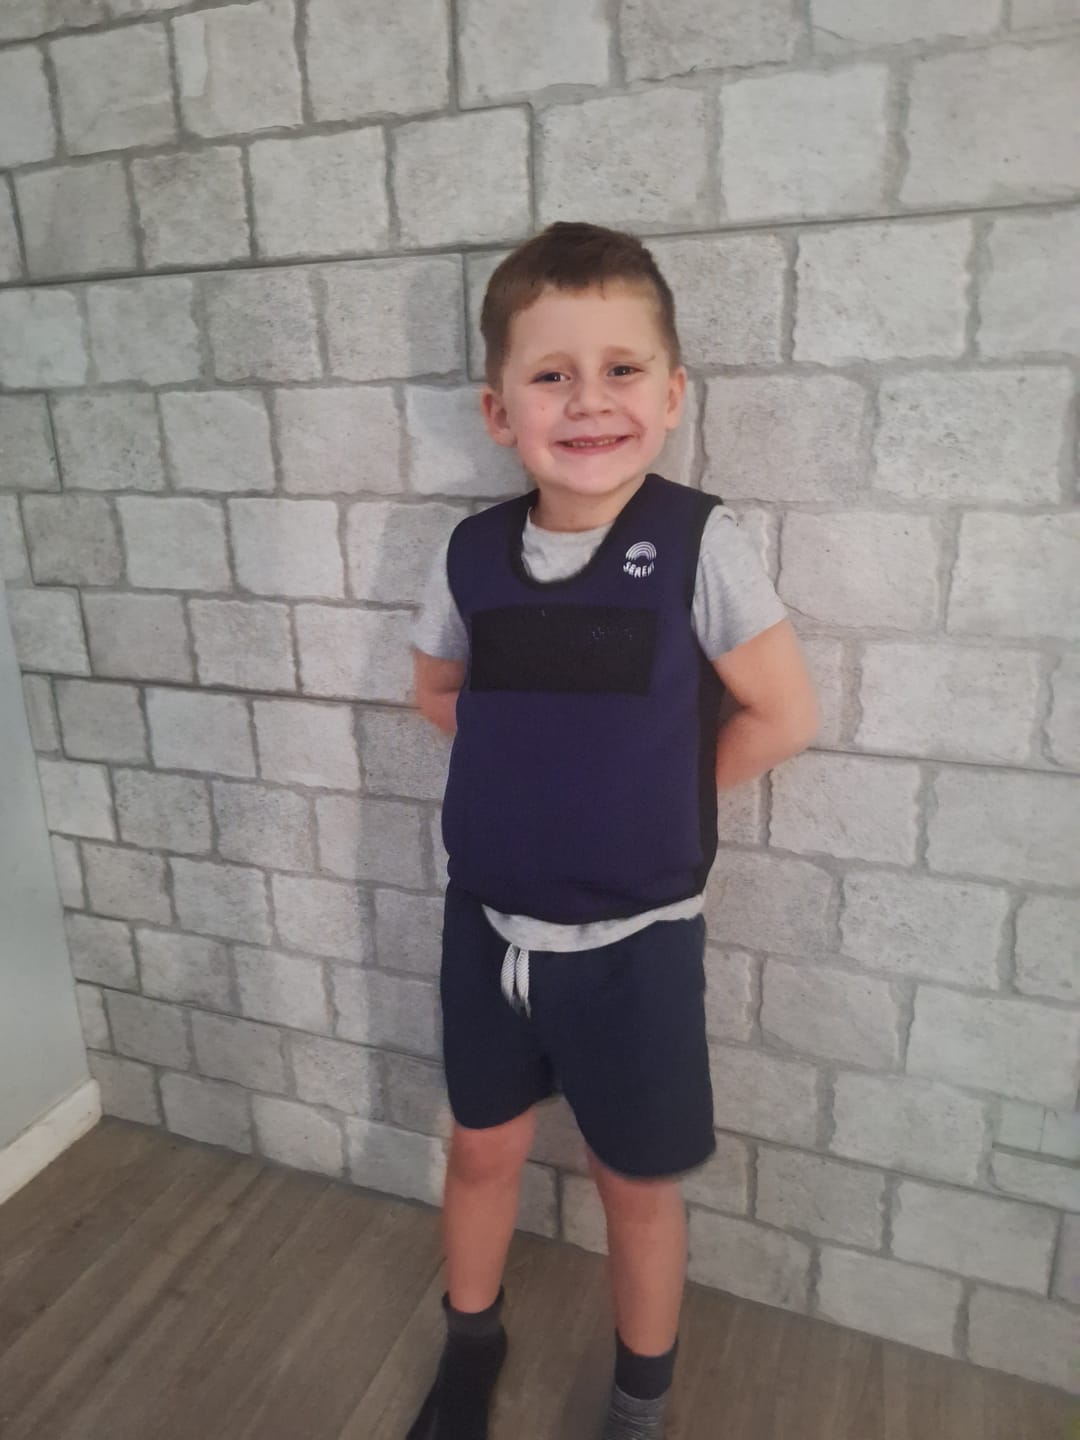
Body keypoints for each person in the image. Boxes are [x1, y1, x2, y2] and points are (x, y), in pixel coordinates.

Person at [408, 221, 820, 1440]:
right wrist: (524, 786)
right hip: (485, 931)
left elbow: (784, 713)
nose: (589, 401)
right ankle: (469, 1352)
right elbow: (439, 694)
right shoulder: (473, 553)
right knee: (479, 1154)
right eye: (551, 375)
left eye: (622, 369)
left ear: (674, 392)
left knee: (635, 1189)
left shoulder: (700, 545)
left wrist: (652, 798)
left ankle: (640, 1404)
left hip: (636, 949)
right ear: (499, 411)